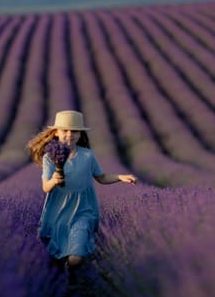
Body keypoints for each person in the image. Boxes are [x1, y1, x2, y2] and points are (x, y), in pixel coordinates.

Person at [27, 110, 136, 282]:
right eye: (65, 130)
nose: (70, 135)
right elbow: (45, 188)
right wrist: (54, 180)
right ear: (56, 132)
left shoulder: (87, 155)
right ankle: (65, 281)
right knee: (57, 252)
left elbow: (101, 178)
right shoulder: (49, 158)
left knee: (76, 256)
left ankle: (71, 272)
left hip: (83, 210)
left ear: (80, 134)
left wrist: (120, 177)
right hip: (58, 212)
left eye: (75, 131)